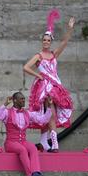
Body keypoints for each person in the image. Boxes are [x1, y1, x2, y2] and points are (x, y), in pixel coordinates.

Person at [23, 9, 75, 152]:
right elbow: (26, 67)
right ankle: (54, 143)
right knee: (50, 111)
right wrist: (39, 76)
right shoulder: (38, 55)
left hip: (55, 85)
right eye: (44, 40)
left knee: (48, 113)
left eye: (48, 40)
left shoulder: (53, 54)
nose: (46, 42)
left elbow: (64, 42)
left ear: (51, 42)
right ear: (42, 41)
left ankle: (43, 142)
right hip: (45, 87)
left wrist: (70, 29)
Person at [0, 92, 52, 176]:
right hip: (11, 142)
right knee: (22, 150)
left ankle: (36, 173)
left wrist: (48, 107)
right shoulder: (7, 112)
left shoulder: (27, 113)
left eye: (24, 99)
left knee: (32, 147)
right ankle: (31, 175)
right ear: (15, 100)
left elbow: (42, 120)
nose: (24, 101)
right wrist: (5, 104)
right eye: (21, 99)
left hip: (23, 141)